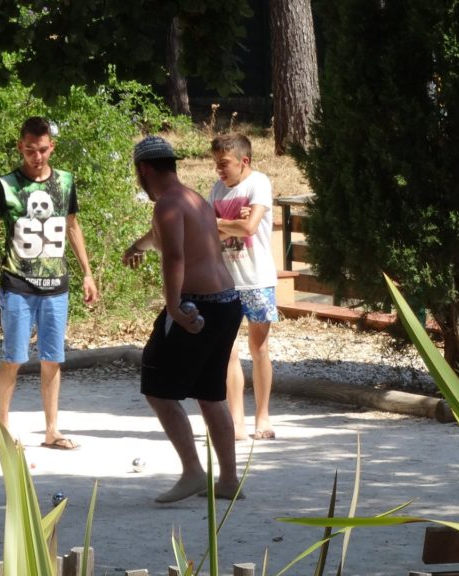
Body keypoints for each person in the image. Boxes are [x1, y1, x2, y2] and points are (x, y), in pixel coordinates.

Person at [122, 135, 243, 503]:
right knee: (210, 393)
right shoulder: (192, 199)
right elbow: (162, 238)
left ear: (143, 169)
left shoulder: (167, 206)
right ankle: (228, 480)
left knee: (157, 386)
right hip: (227, 302)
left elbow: (174, 257)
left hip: (197, 305)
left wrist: (174, 307)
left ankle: (193, 472)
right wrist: (137, 247)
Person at [0, 116, 98, 450]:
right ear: (20, 147)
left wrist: (87, 272)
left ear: (51, 147)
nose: (36, 157)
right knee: (13, 357)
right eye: (30, 150)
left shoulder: (66, 182)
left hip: (56, 284)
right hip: (18, 285)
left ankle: (52, 430)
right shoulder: (7, 184)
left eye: (42, 150)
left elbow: (72, 226)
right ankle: (3, 427)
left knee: (53, 358)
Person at [209, 133, 278, 441]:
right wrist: (231, 222)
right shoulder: (216, 190)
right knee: (227, 351)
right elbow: (208, 233)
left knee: (259, 348)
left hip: (257, 278)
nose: (219, 171)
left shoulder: (259, 184)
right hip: (225, 281)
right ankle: (236, 422)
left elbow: (249, 228)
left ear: (243, 160)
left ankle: (262, 417)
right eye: (216, 165)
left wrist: (224, 224)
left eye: (224, 164)